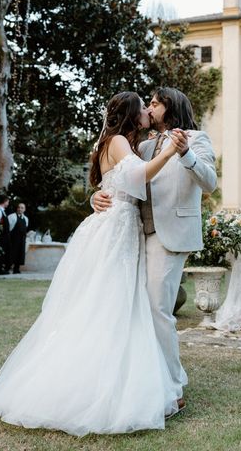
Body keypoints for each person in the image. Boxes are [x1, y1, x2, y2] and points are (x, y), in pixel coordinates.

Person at [0, 91, 181, 436]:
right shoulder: (116, 141)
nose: (147, 110)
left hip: (115, 224)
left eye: (150, 105)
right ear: (131, 114)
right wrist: (173, 151)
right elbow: (138, 176)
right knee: (109, 303)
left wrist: (96, 196)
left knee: (111, 302)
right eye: (142, 106)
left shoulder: (111, 144)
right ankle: (94, 387)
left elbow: (110, 183)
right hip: (117, 227)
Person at [92, 87, 217, 413]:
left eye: (154, 103)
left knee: (158, 310)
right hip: (135, 236)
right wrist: (96, 199)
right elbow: (118, 180)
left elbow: (211, 182)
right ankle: (148, 380)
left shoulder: (197, 138)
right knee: (138, 309)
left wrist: (186, 153)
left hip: (171, 235)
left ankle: (173, 387)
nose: (148, 108)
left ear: (170, 106)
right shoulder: (143, 146)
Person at [8, 203, 29, 274]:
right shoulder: (12, 216)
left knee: (20, 254)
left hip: (22, 239)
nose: (20, 209)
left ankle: (16, 268)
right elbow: (9, 228)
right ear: (17, 208)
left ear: (24, 209)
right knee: (11, 253)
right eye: (19, 207)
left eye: (22, 208)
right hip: (13, 239)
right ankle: (7, 268)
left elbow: (25, 228)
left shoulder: (26, 219)